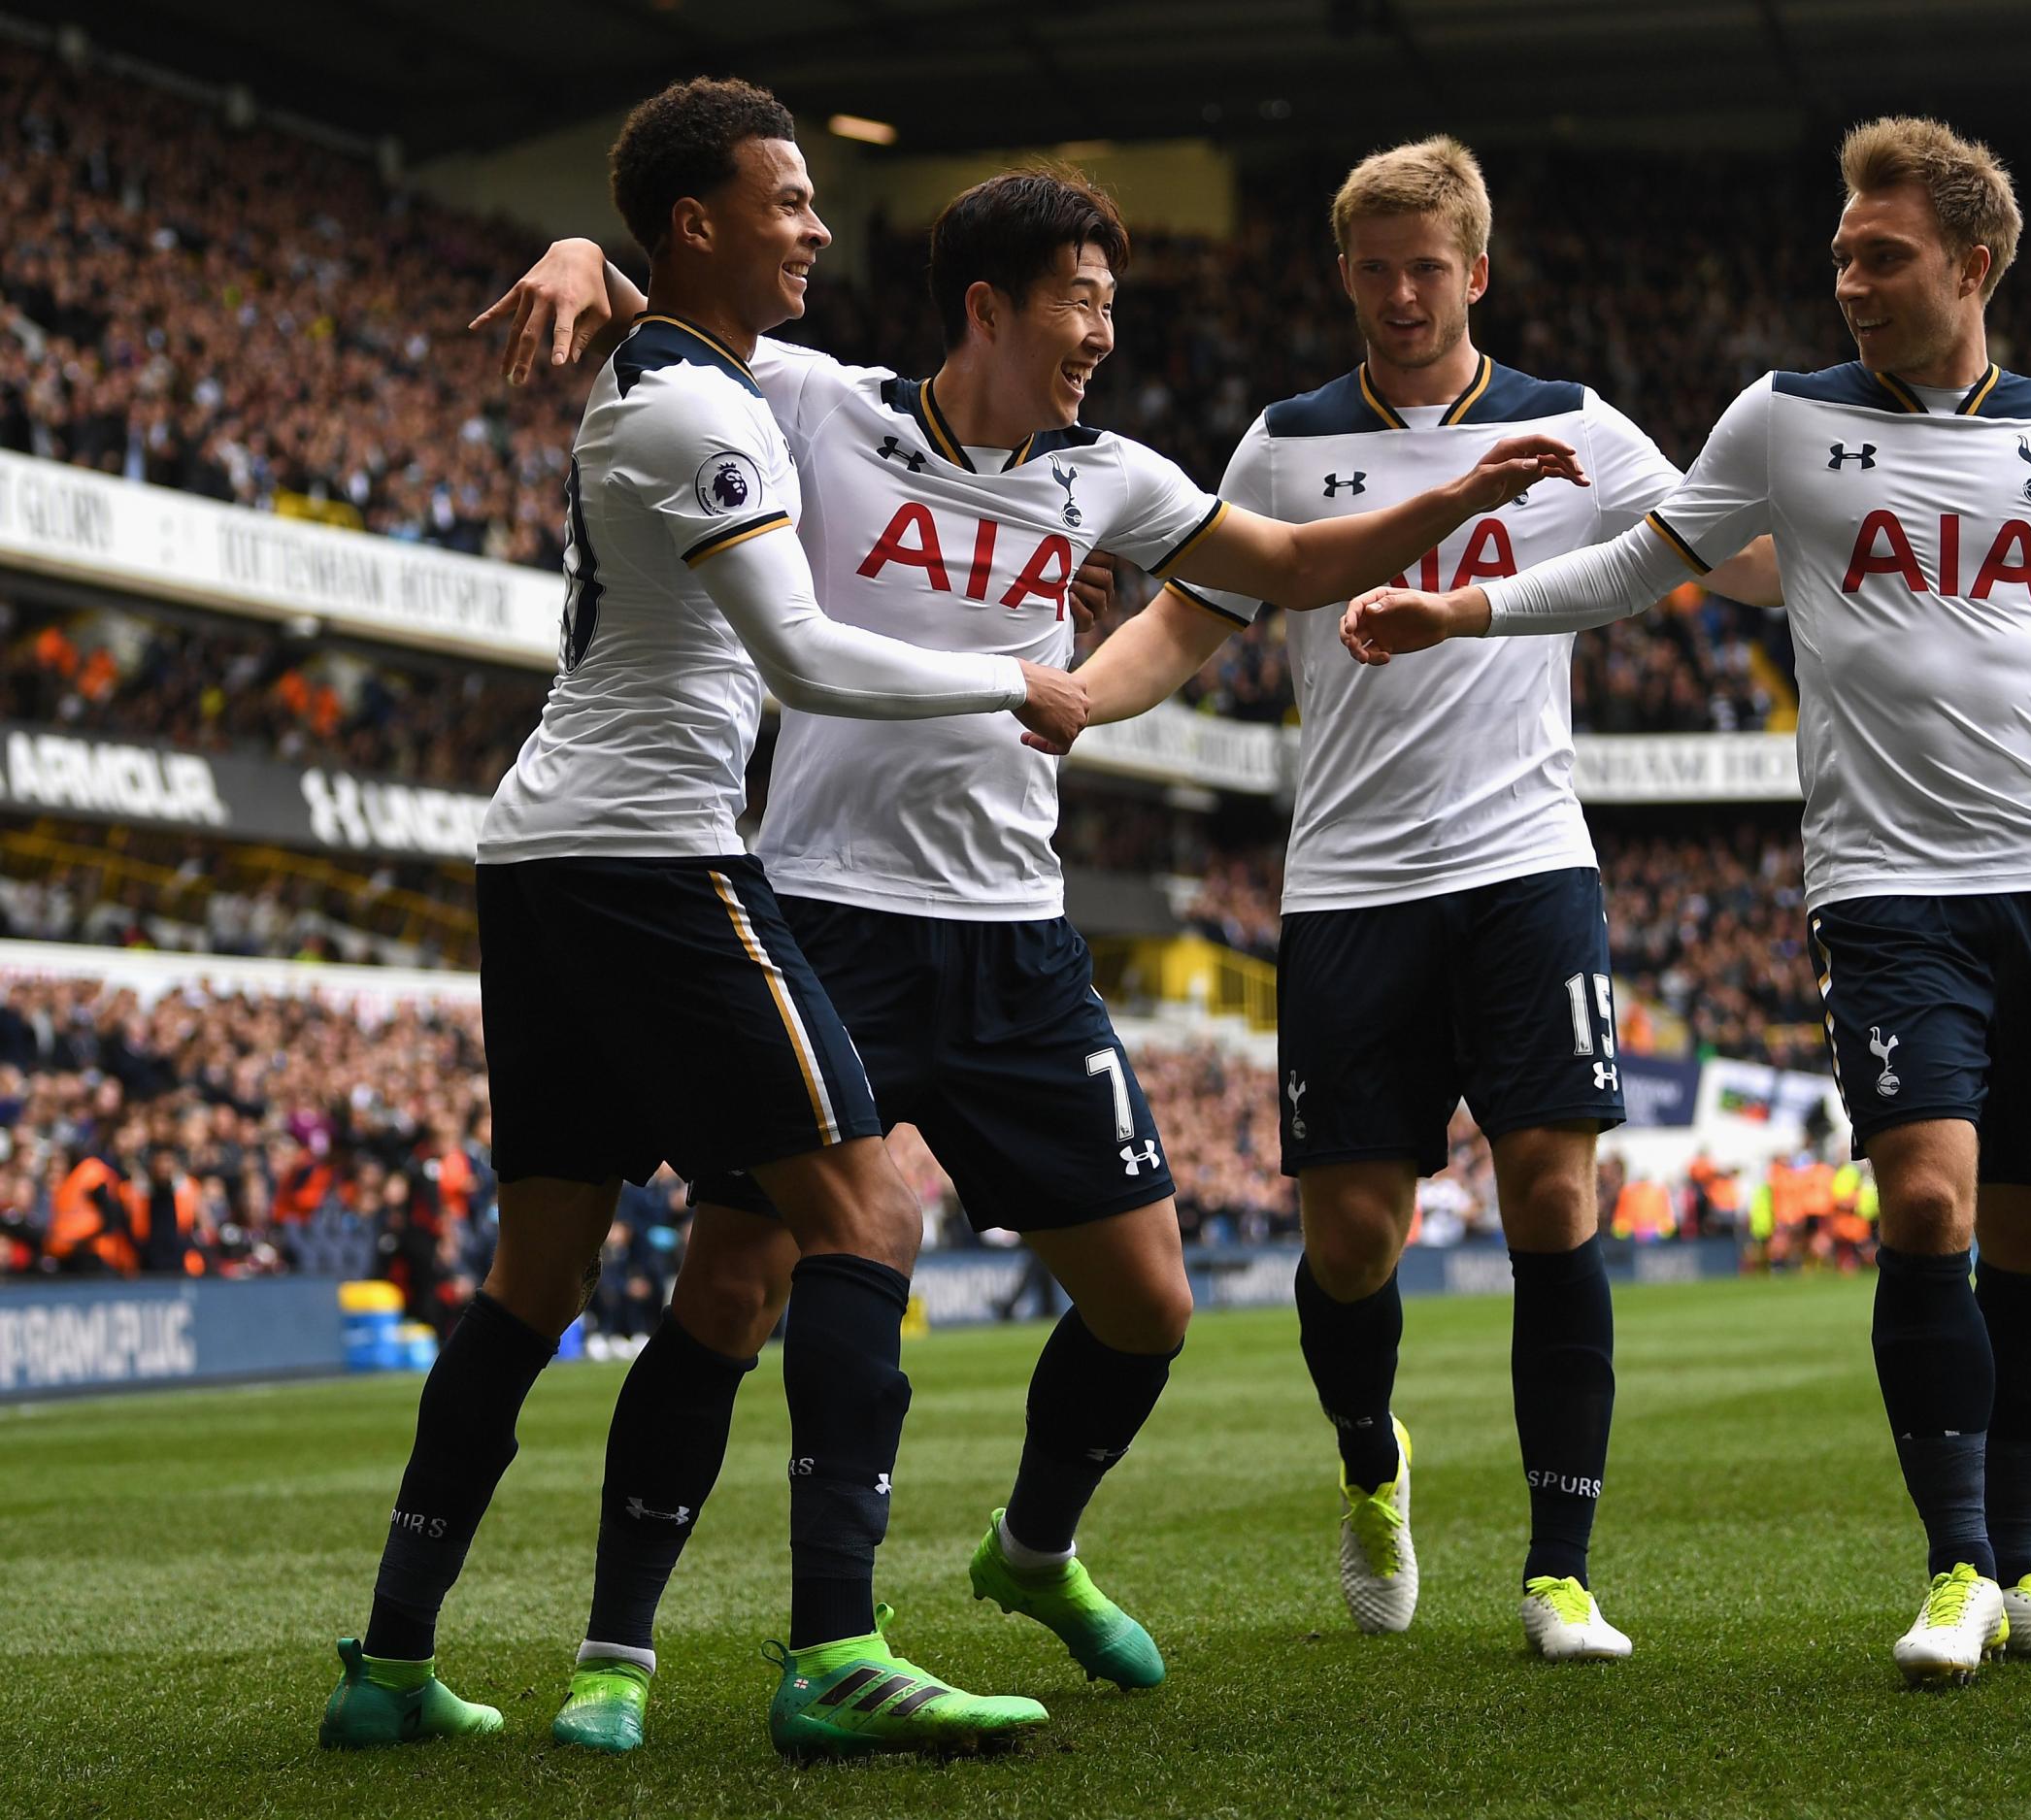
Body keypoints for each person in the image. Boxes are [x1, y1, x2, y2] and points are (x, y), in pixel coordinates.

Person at [476, 162, 1575, 1739]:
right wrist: (588, 243)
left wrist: (1454, 505)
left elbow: (1282, 563)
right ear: (988, 306)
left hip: (1016, 942)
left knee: (1149, 1304)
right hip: (830, 913)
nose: (1103, 336)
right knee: (729, 1286)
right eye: (1082, 301)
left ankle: (1034, 1551)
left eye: (1114, 307)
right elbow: (675, 329)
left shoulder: (1113, 475)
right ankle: (616, 1654)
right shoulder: (816, 403)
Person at [1337, 116, 2031, 1685]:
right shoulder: (1782, 419)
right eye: (1838, 255)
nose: (1848, 281)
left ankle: (2022, 1574)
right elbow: (1634, 566)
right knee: (1931, 1204)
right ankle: (1952, 1565)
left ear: (1972, 262)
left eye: (1879, 255)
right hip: (1884, 891)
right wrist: (1464, 607)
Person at [318, 78, 1088, 1762]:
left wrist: (587, 251)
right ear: (700, 224)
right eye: (789, 199)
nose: (818, 225)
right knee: (866, 1211)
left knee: (535, 1278)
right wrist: (1012, 682)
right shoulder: (700, 416)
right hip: (651, 865)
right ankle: (834, 1650)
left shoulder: (684, 382)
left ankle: (388, 1663)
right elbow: (806, 658)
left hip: (547, 860)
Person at [1070, 137, 1779, 1660]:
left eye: (1427, 267)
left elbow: (1733, 555)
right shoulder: (1283, 447)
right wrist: (1078, 695)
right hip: (1350, 884)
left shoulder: (1573, 425)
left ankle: (1561, 1572)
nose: (1402, 294)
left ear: (1476, 269)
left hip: (1529, 862)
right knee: (1353, 1247)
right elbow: (1191, 623)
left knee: (1552, 1196)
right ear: (1346, 275)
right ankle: (1372, 1463)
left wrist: (1894, 552)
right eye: (1375, 268)